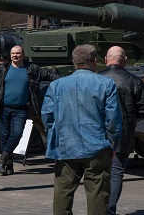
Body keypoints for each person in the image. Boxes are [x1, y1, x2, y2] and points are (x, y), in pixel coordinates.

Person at [41, 44, 122, 215]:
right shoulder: (106, 84)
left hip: (66, 146)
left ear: (73, 62)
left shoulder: (56, 85)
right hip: (98, 146)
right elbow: (113, 120)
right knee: (98, 195)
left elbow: (47, 115)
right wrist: (113, 144)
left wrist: (57, 134)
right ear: (94, 61)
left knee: (63, 193)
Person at [0, 45, 59, 176]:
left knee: (16, 134)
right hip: (2, 108)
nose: (15, 56)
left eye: (17, 53)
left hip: (21, 109)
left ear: (23, 54)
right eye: (12, 53)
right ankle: (8, 165)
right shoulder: (2, 69)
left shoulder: (31, 69)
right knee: (5, 136)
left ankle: (2, 158)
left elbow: (49, 75)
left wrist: (68, 80)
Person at [98, 46, 144, 215]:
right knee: (116, 173)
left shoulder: (96, 79)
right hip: (123, 132)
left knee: (98, 173)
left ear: (106, 59)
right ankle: (110, 210)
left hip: (98, 132)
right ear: (125, 60)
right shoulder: (134, 80)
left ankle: (97, 208)